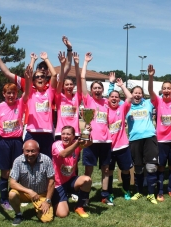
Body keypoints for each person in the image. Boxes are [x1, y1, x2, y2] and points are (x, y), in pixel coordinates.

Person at [79, 52, 113, 205]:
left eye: (100, 88)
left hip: (106, 141)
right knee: (89, 171)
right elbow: (82, 79)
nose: (98, 90)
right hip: (90, 142)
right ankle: (85, 198)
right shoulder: (88, 100)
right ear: (91, 90)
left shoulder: (106, 102)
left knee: (106, 169)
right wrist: (85, 63)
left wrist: (112, 84)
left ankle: (104, 196)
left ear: (102, 90)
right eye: (95, 88)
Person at [0, 66, 32, 210]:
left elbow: (27, 92)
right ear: (4, 94)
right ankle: (4, 199)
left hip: (17, 141)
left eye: (14, 93)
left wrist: (28, 78)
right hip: (3, 142)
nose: (11, 95)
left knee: (19, 170)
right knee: (5, 171)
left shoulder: (20, 103)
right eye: (8, 93)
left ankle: (19, 195)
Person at [148, 63, 171, 202]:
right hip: (161, 141)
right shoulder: (158, 101)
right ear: (162, 90)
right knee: (161, 167)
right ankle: (160, 192)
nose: (166, 90)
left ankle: (170, 189)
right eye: (164, 88)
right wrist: (150, 77)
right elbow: (151, 91)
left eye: (169, 88)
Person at [9, 139, 55, 225]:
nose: (30, 154)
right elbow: (12, 183)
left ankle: (39, 208)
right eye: (27, 151)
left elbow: (51, 181)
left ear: (38, 150)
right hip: (25, 193)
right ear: (23, 151)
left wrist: (47, 201)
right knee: (12, 194)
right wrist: (29, 191)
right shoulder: (18, 161)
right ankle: (18, 214)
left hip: (42, 194)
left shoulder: (46, 160)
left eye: (33, 151)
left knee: (47, 219)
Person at [127, 81, 159, 204]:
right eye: (135, 93)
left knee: (151, 167)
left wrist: (150, 77)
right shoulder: (127, 106)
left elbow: (151, 92)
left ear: (142, 95)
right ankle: (139, 191)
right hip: (134, 139)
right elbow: (112, 99)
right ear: (131, 94)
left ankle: (151, 194)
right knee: (138, 168)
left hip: (150, 138)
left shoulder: (148, 103)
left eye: (140, 93)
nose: (137, 95)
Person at [52, 126, 93, 218]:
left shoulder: (76, 143)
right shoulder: (56, 144)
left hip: (71, 181)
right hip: (58, 184)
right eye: (63, 134)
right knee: (62, 214)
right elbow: (63, 154)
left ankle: (79, 206)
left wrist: (87, 132)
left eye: (68, 134)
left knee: (87, 180)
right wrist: (77, 143)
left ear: (74, 136)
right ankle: (54, 200)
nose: (65, 136)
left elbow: (89, 143)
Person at [106, 74, 133, 200]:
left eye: (117, 97)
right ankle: (110, 192)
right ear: (108, 98)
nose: (114, 99)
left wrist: (121, 85)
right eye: (112, 96)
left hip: (122, 146)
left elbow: (130, 97)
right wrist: (111, 85)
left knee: (126, 170)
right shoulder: (104, 109)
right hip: (109, 147)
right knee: (109, 171)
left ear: (119, 100)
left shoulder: (122, 109)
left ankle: (126, 190)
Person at [54, 51, 82, 140]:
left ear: (73, 86)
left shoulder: (77, 97)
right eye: (67, 84)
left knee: (74, 154)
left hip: (75, 133)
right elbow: (60, 80)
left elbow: (79, 80)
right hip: (60, 132)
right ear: (63, 86)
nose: (69, 86)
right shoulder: (59, 96)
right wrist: (62, 65)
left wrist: (77, 65)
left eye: (71, 84)